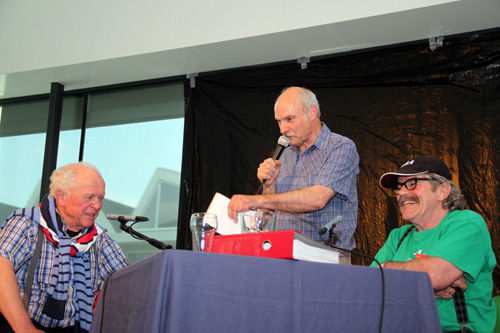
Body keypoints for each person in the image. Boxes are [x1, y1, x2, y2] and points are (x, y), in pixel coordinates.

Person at [371, 156, 496, 332]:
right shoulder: (397, 236)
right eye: (398, 187)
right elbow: (370, 285)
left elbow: (433, 276)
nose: (401, 193)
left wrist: (385, 269)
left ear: (442, 191)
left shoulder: (467, 224)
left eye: (412, 183)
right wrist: (420, 289)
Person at [0, 162, 129, 333]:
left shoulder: (100, 238)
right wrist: (24, 328)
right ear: (61, 197)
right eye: (89, 197)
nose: (97, 206)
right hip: (19, 326)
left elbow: (128, 281)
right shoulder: (27, 222)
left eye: (100, 198)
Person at [228, 87, 359, 250]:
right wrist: (269, 186)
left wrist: (256, 200)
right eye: (279, 121)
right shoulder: (285, 154)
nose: (283, 130)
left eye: (289, 119)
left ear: (312, 113)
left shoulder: (340, 147)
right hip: (282, 255)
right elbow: (271, 214)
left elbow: (318, 199)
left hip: (325, 259)